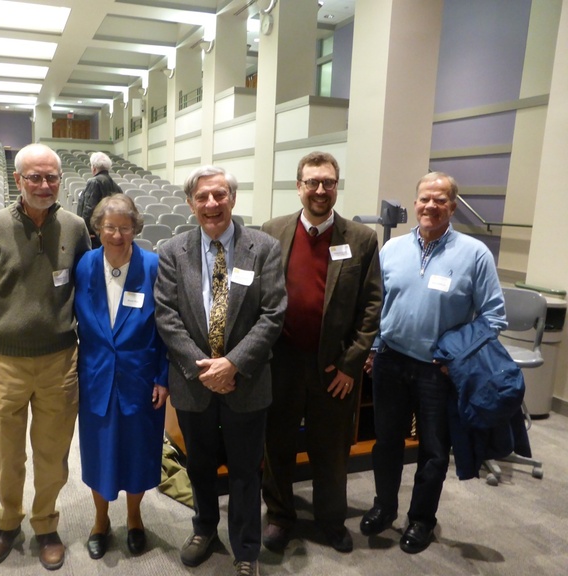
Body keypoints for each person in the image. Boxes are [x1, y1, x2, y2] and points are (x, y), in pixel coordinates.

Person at [359, 171, 506, 554]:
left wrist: (454, 357)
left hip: (438, 371)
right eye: (425, 198)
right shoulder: (391, 250)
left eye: (440, 200)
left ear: (452, 206)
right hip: (390, 363)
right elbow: (376, 306)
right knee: (387, 443)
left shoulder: (475, 254)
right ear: (415, 203)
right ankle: (384, 508)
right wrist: (373, 348)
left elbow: (493, 317)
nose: (431, 206)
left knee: (434, 451)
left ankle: (422, 519)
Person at [154, 166, 287, 576]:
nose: (211, 204)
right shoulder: (172, 250)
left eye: (219, 195)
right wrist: (203, 369)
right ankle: (205, 529)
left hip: (245, 381)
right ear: (192, 203)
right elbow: (167, 315)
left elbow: (273, 314)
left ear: (232, 198)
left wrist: (232, 364)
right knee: (200, 466)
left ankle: (246, 547)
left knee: (247, 470)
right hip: (194, 382)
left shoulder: (263, 247)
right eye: (202, 197)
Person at [0, 143, 90, 571]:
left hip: (60, 362)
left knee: (53, 455)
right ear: (18, 180)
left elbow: (87, 296)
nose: (43, 185)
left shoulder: (75, 228)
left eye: (51, 177)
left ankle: (46, 523)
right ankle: (7, 522)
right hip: (4, 364)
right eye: (34, 177)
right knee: (5, 456)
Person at [260, 151, 382, 554]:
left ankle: (331, 518)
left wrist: (351, 365)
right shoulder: (272, 232)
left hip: (334, 366)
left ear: (336, 186)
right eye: (312, 182)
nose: (319, 190)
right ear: (298, 187)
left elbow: (371, 305)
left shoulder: (360, 238)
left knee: (330, 449)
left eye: (328, 182)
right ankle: (279, 515)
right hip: (282, 361)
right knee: (276, 444)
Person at [74, 193, 169, 559]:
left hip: (141, 377)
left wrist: (163, 377)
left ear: (135, 229)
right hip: (96, 374)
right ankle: (100, 521)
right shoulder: (85, 265)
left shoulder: (153, 266)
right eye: (109, 227)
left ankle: (134, 518)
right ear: (97, 228)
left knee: (139, 450)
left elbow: (166, 327)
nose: (116, 234)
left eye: (125, 227)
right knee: (98, 450)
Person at [77, 151, 123, 248]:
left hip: (94, 236)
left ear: (93, 168)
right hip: (109, 232)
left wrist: (85, 231)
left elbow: (89, 208)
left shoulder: (94, 182)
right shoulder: (117, 187)